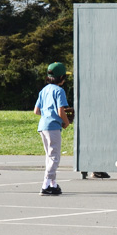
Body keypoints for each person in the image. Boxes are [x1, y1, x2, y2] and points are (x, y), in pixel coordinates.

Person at [34, 62, 71, 196]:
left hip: (43, 126)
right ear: (61, 77)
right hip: (53, 126)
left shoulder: (44, 90)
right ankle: (45, 184)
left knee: (49, 156)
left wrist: (47, 114)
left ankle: (52, 184)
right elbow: (61, 111)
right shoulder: (59, 91)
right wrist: (66, 122)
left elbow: (36, 111)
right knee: (55, 157)